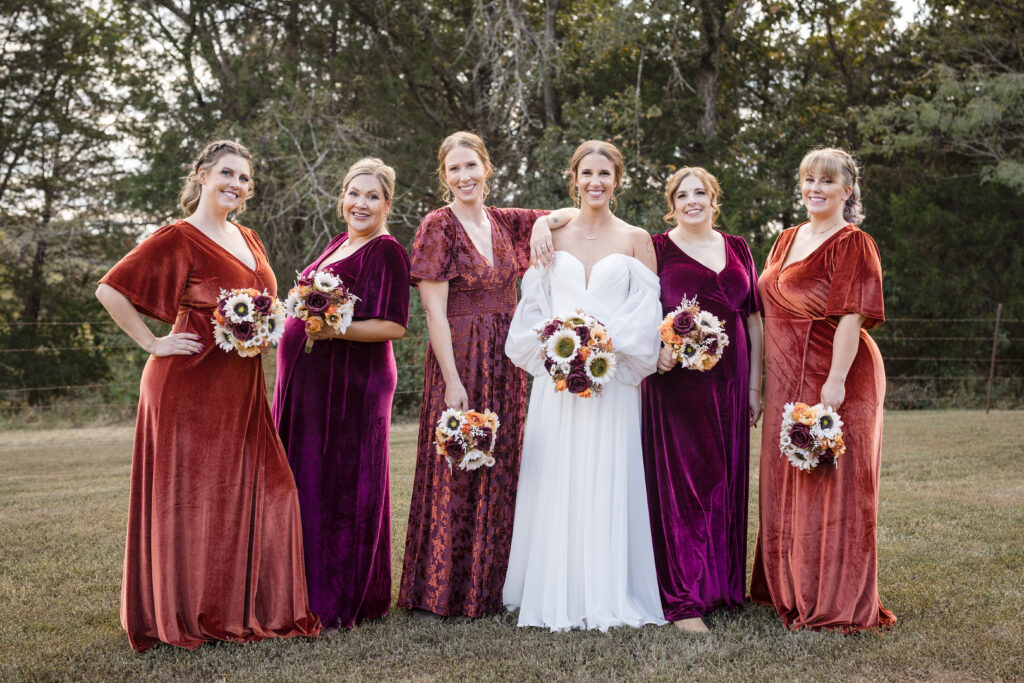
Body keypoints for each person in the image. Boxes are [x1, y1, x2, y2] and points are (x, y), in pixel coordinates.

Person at [95, 140, 321, 651]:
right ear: (201, 175)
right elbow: (109, 290)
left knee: (270, 488)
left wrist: (283, 322)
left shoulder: (249, 237)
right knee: (190, 501)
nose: (235, 185)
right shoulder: (179, 237)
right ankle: (186, 611)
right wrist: (153, 343)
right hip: (186, 385)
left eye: (244, 178)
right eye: (226, 173)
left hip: (240, 387)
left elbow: (268, 306)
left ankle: (244, 606)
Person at [398, 131, 577, 619]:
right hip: (460, 357)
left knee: (504, 462)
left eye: (471, 166)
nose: (464, 177)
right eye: (454, 169)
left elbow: (574, 214)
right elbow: (433, 312)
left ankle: (495, 583)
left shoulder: (505, 221)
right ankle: (445, 592)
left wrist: (543, 228)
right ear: (444, 176)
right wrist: (452, 381)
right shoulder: (438, 225)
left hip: (508, 360)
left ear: (487, 168)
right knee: (458, 462)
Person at [504, 140, 665, 631]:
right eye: (587, 173)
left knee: (609, 472)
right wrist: (557, 347)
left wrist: (604, 349)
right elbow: (533, 307)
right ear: (573, 178)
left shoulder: (638, 239)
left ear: (618, 179)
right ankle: (557, 585)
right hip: (557, 385)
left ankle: (608, 587)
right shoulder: (551, 235)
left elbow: (648, 314)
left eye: (605, 173)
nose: (596, 181)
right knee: (558, 475)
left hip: (611, 381)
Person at [749, 147, 896, 632]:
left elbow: (853, 316)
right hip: (787, 378)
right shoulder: (786, 238)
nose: (815, 188)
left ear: (847, 190)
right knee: (786, 478)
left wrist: (833, 382)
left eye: (827, 182)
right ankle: (789, 584)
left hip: (838, 373)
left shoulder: (854, 242)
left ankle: (832, 597)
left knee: (833, 486)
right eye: (808, 179)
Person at [272, 158, 410, 629]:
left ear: (387, 204)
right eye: (354, 193)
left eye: (373, 196)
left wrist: (334, 329)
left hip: (349, 391)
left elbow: (393, 324)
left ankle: (335, 594)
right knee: (306, 483)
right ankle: (298, 585)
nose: (361, 203)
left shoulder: (385, 251)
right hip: (310, 389)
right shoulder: (340, 243)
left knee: (340, 488)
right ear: (342, 197)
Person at [639, 167, 763, 632]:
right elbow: (638, 310)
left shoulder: (738, 247)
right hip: (676, 385)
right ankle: (683, 599)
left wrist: (755, 387)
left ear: (714, 198)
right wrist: (659, 352)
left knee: (722, 479)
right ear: (672, 203)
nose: (692, 201)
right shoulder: (655, 247)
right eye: (682, 194)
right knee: (683, 485)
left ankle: (720, 587)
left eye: (700, 193)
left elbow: (753, 320)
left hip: (731, 384)